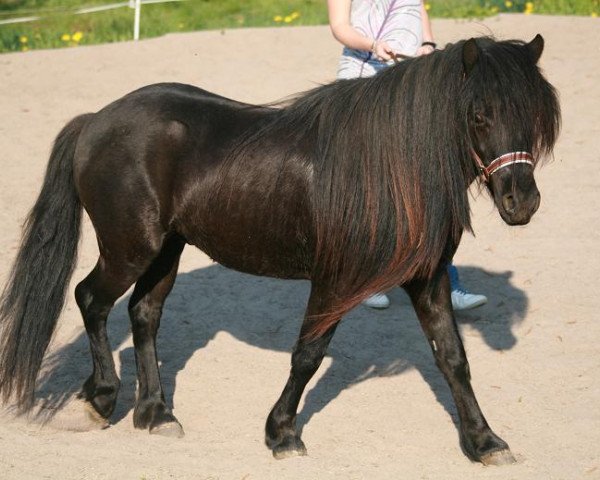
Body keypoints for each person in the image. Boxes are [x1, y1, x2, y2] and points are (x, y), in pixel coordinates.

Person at [327, 0, 487, 311]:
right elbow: (339, 27)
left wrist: (428, 43)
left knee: (427, 184)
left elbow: (417, 7)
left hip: (412, 78)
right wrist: (373, 45)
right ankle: (366, 279)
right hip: (365, 78)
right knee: (372, 186)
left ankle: (445, 282)